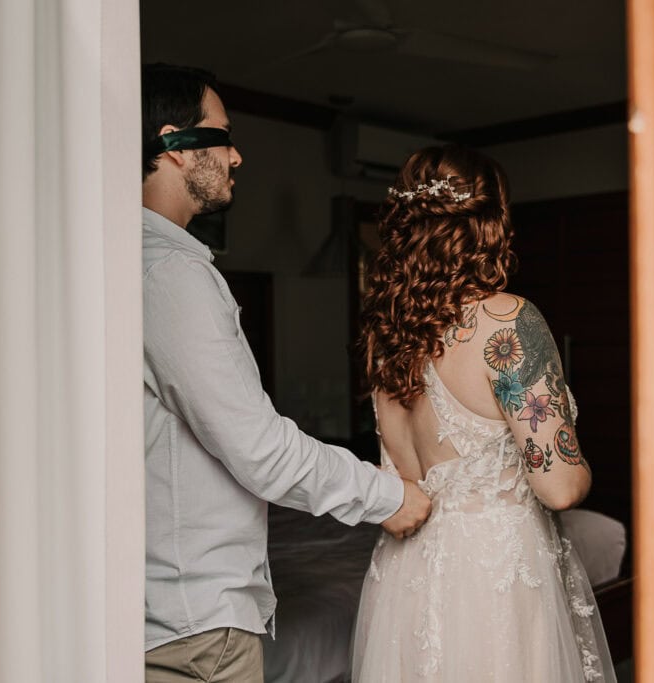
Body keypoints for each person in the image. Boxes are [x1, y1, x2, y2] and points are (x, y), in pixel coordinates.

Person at [141, 64, 432, 683]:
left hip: (165, 608)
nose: (237, 156)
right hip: (195, 625)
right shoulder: (172, 275)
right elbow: (259, 448)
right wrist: (384, 498)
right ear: (171, 145)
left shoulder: (132, 263)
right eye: (221, 136)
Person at [351, 145, 616, 681]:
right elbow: (560, 488)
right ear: (491, 224)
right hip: (494, 574)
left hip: (408, 574)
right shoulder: (507, 322)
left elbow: (403, 478)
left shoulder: (386, 336)